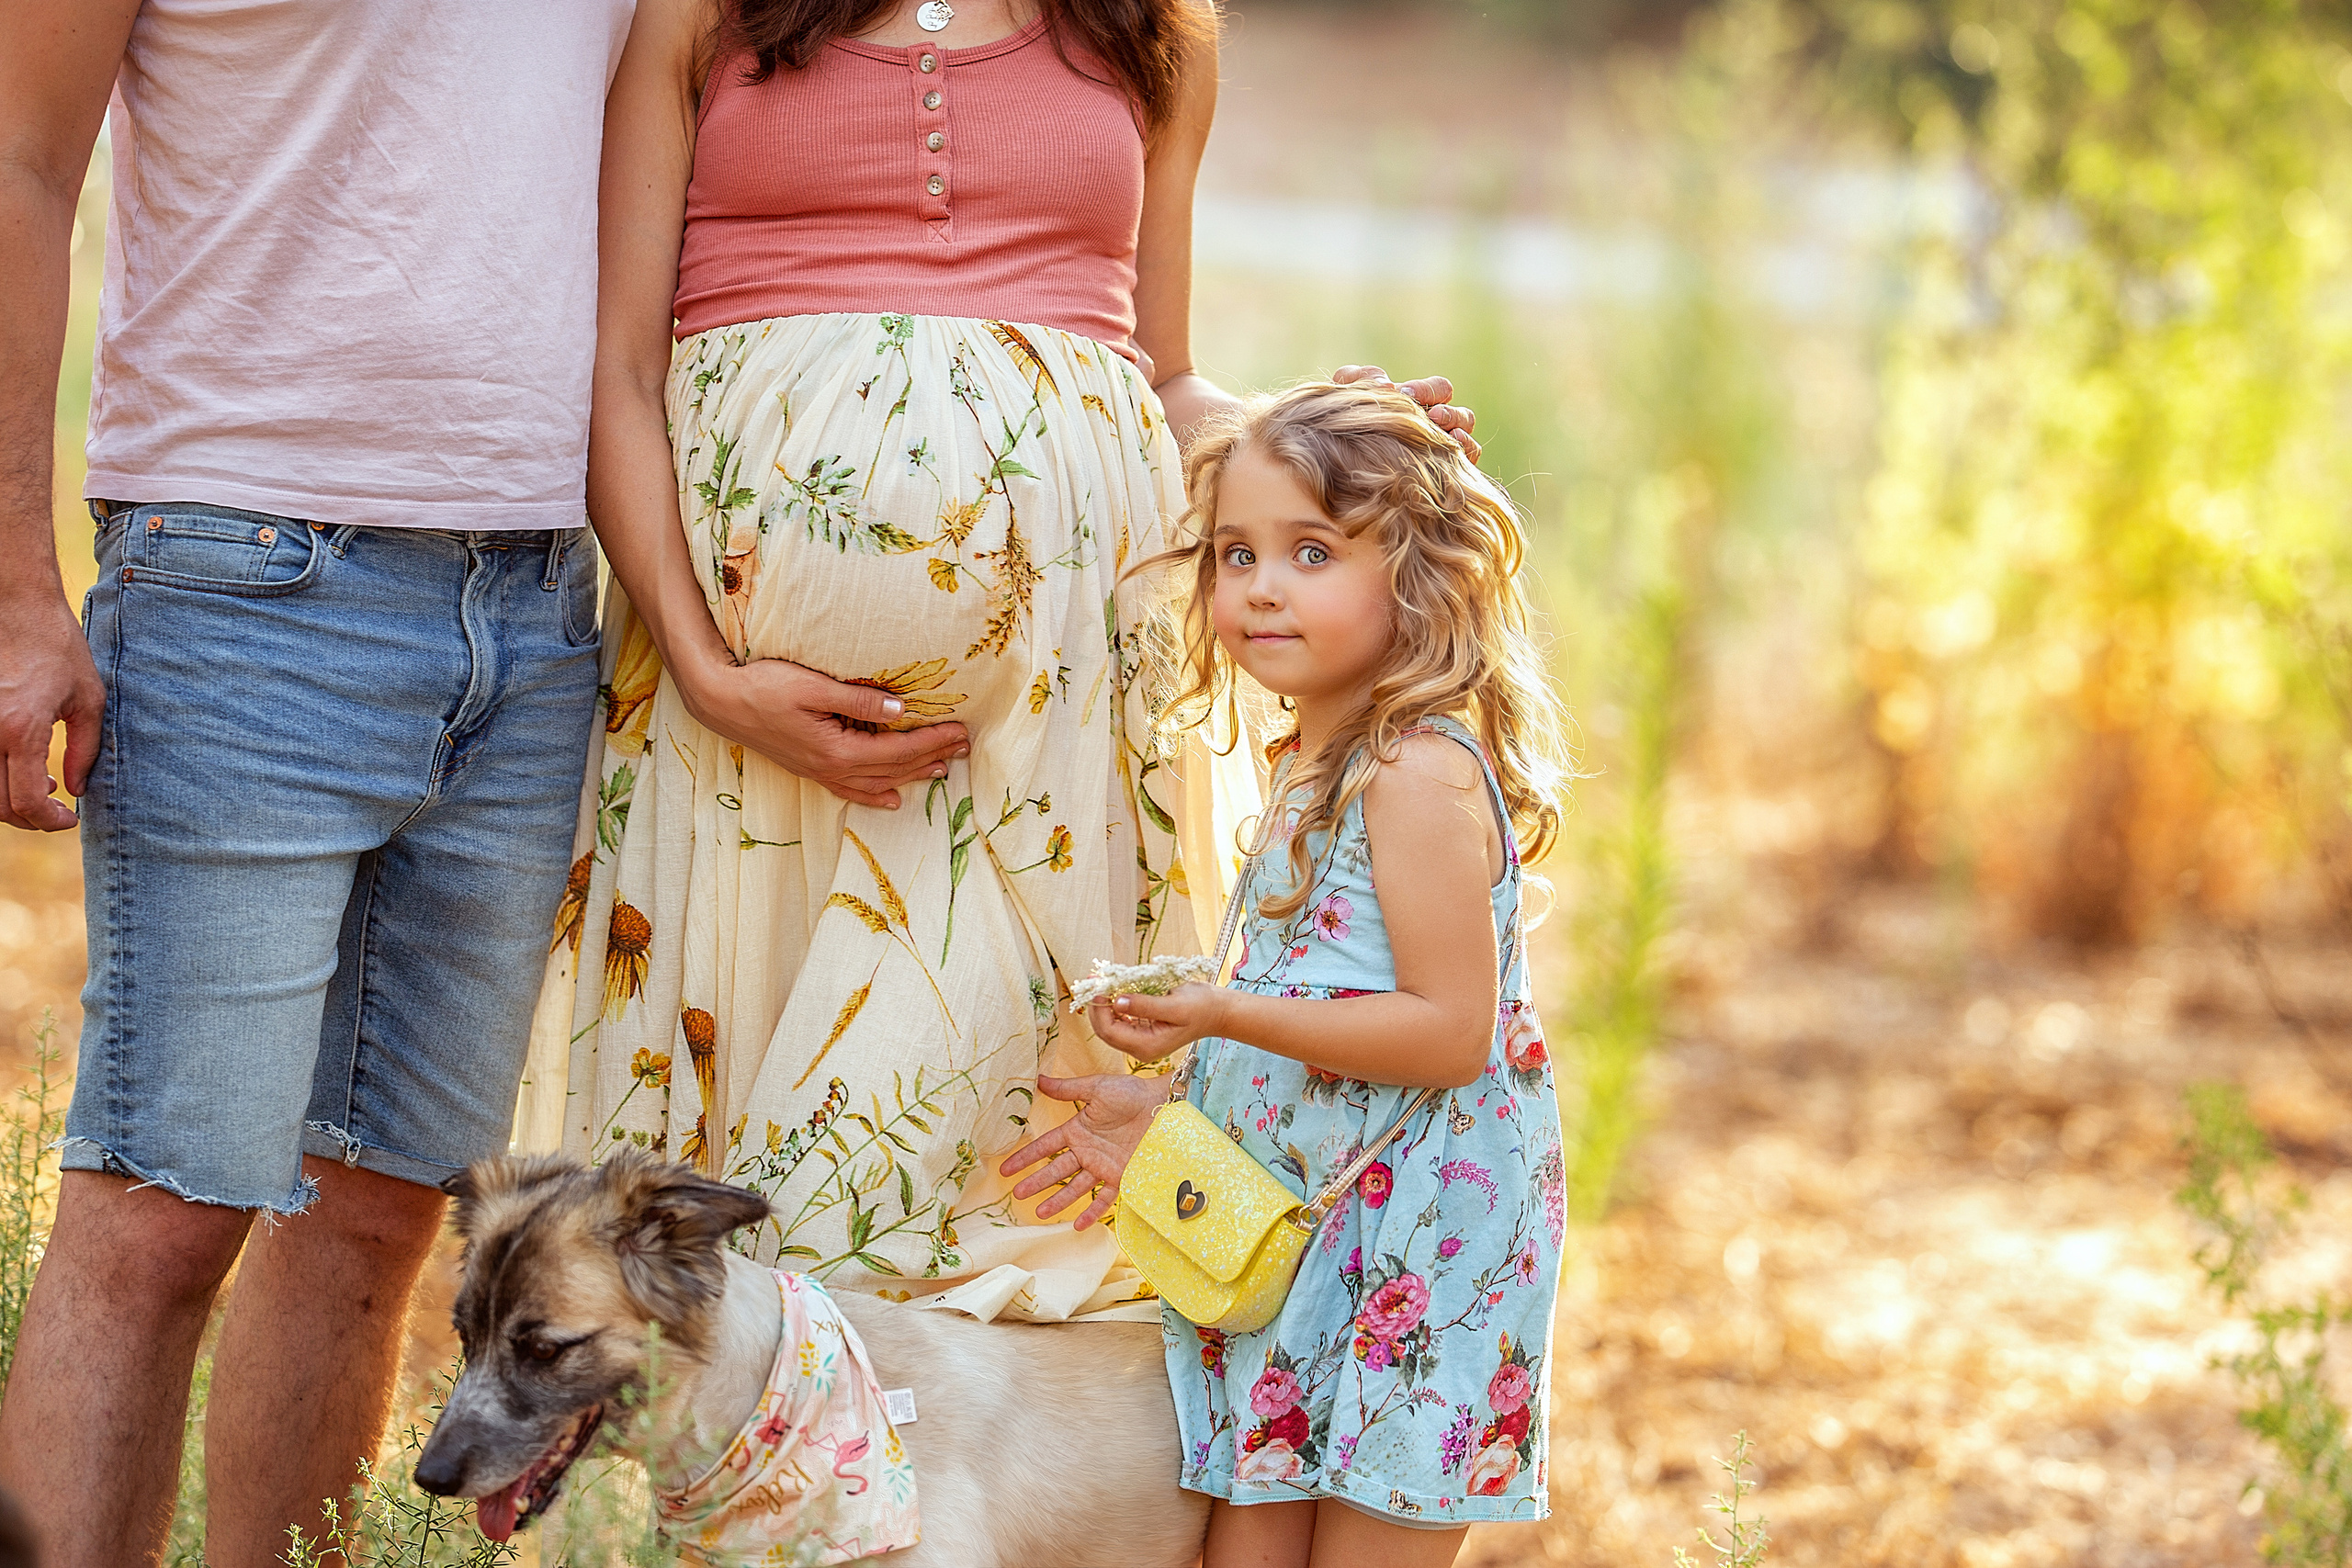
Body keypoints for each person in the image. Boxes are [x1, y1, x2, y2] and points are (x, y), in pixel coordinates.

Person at [0, 4, 967, 1562]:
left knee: (384, 1215)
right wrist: (7, 583)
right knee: (160, 1212)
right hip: (244, 576)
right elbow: (19, 159)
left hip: (532, 609)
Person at [568, 0, 1478, 1325]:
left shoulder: (1155, 27)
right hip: (742, 730)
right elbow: (623, 367)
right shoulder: (702, 12)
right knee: (721, 1203)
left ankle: (966, 1507)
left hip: (1052, 730)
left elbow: (1161, 378)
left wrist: (1318, 435)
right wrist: (707, 668)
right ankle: (737, 1513)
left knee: (995, 1171)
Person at [1012, 380, 1574, 1566]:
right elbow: (1323, 1015)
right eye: (1236, 553)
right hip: (1310, 1232)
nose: (1261, 585)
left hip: (1419, 1251)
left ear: (1417, 576)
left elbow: (1445, 1033)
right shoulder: (1311, 764)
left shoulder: (1411, 774)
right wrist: (1176, 1108)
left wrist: (1217, 1008)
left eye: (1311, 551)